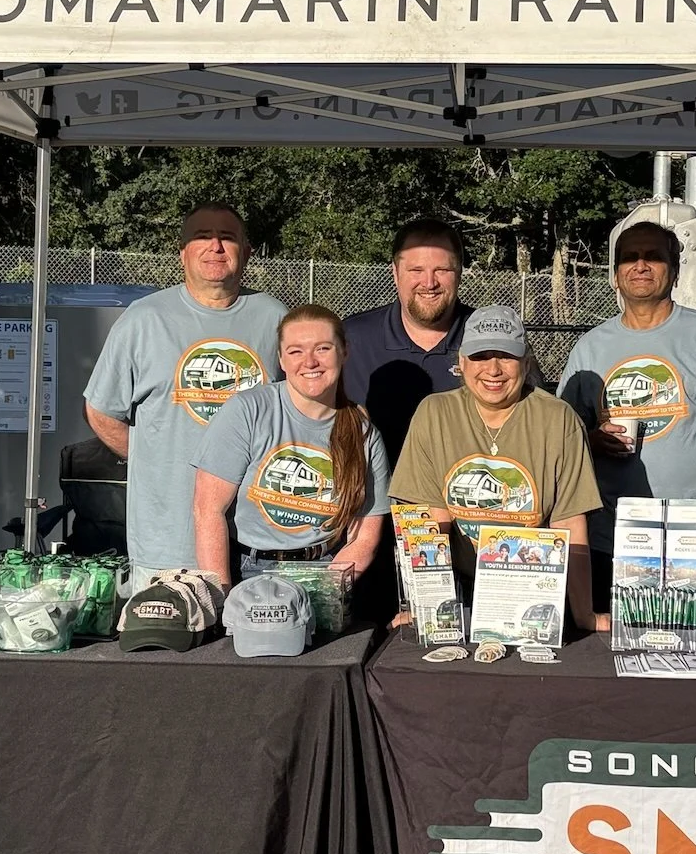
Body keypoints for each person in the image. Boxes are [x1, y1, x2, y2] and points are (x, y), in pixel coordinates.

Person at [558, 220, 696, 618]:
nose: (640, 265)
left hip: (691, 541)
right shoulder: (590, 347)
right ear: (615, 274)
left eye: (653, 256)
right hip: (609, 543)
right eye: (629, 258)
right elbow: (561, 440)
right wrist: (590, 438)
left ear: (675, 269)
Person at [85, 203, 286, 588]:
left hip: (257, 541)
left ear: (247, 250)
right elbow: (100, 410)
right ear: (183, 252)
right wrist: (151, 458)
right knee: (167, 646)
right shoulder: (145, 318)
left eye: (228, 237)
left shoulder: (273, 317)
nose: (215, 245)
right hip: (166, 543)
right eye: (202, 237)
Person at [389, 305, 602, 634]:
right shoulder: (434, 414)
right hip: (460, 592)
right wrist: (430, 607)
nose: (493, 369)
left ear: (526, 362)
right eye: (480, 356)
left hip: (534, 594)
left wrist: (585, 615)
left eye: (506, 356)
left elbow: (570, 523)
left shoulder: (559, 419)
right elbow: (433, 525)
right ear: (461, 363)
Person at [192, 305, 390, 595]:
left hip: (324, 571)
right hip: (247, 569)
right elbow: (207, 511)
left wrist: (322, 596)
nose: (309, 362)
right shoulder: (248, 410)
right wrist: (223, 597)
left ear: (344, 352)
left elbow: (364, 539)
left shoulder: (363, 434)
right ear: (282, 359)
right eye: (296, 351)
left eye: (323, 348)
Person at [342, 217, 474, 466]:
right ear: (395, 272)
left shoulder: (490, 342)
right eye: (416, 271)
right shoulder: (352, 339)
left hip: (462, 497)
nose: (429, 283)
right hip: (374, 498)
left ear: (459, 272)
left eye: (441, 270)